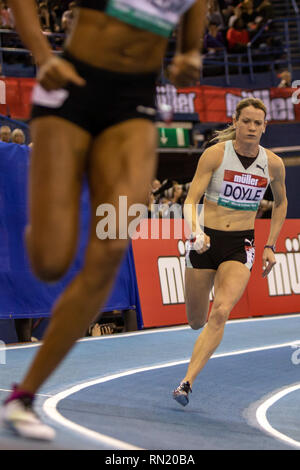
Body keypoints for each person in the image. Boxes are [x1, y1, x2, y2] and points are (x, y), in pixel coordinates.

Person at [2, 0, 207, 441]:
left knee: (108, 252)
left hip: (133, 105)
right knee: (50, 262)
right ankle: (49, 211)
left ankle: (22, 398)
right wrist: (41, 54)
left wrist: (190, 53)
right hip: (71, 84)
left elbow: (195, 13)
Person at [173, 97, 287, 406]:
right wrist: (195, 231)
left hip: (240, 245)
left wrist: (270, 245)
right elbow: (190, 198)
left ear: (265, 127)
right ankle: (194, 350)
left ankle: (187, 382)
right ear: (235, 122)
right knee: (196, 320)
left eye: (257, 123)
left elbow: (281, 202)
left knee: (221, 312)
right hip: (205, 241)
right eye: (246, 121)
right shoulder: (215, 155)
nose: (251, 127)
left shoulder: (273, 164)